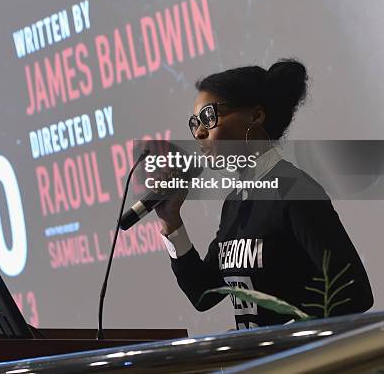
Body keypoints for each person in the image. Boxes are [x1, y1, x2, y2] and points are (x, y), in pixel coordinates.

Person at [156, 59, 373, 329]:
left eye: (209, 117)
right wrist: (171, 220)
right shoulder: (234, 203)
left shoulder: (294, 190)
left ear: (255, 116)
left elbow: (355, 293)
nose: (199, 132)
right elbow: (203, 294)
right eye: (195, 123)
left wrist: (289, 334)